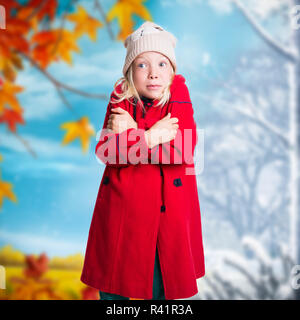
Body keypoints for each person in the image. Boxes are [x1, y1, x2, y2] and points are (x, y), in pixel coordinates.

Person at [80, 21, 205, 300]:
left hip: (166, 217)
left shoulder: (179, 96)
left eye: (162, 64)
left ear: (172, 71)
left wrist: (132, 136)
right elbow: (106, 152)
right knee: (114, 293)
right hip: (120, 216)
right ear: (129, 71)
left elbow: (182, 151)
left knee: (162, 291)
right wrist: (151, 137)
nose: (153, 74)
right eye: (142, 65)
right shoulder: (120, 97)